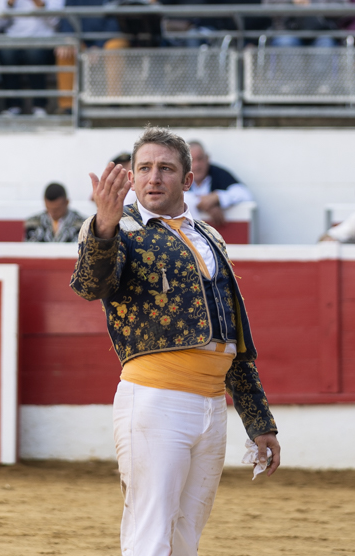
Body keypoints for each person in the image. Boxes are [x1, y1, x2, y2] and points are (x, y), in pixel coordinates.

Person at [71, 128, 279, 556]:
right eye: (144, 168)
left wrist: (259, 421)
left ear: (187, 180)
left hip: (210, 406)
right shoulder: (118, 230)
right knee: (150, 534)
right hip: (155, 399)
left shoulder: (210, 237)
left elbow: (232, 336)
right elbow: (91, 284)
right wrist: (105, 224)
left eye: (165, 169)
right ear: (131, 177)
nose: (153, 178)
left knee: (185, 538)